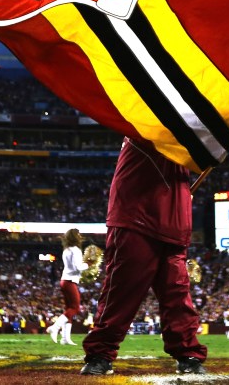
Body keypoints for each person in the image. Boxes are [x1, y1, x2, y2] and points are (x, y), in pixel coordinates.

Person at [79, 138, 207, 376]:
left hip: (174, 218)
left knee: (177, 294)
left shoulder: (180, 130)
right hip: (137, 215)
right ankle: (100, 353)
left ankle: (187, 353)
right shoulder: (145, 122)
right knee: (122, 291)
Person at [47, 228, 92, 346]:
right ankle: (55, 327)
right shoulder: (76, 250)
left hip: (65, 280)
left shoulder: (66, 249)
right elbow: (78, 267)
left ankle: (65, 338)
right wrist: (88, 264)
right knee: (75, 308)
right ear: (75, 237)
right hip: (70, 281)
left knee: (69, 309)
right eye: (78, 235)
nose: (80, 236)